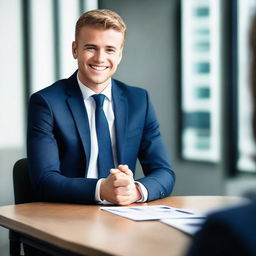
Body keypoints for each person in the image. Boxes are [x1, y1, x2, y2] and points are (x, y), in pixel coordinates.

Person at [27, 9, 175, 205]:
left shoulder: (139, 101)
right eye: (91, 48)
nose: (100, 58)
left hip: (124, 217)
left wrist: (136, 191)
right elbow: (44, 180)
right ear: (74, 50)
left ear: (120, 55)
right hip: (69, 214)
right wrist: (101, 190)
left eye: (110, 50)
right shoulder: (46, 103)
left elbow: (163, 172)